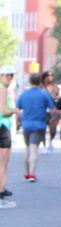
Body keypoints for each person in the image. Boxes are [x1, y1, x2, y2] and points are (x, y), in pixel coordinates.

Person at [14, 72, 55, 181]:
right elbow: (52, 108)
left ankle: (26, 173)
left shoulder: (23, 94)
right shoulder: (44, 94)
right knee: (33, 149)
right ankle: (32, 174)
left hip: (26, 124)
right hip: (39, 125)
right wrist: (53, 118)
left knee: (27, 148)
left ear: (30, 81)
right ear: (40, 81)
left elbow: (17, 110)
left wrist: (18, 122)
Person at [0, 66, 16, 206]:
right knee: (3, 163)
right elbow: (4, 111)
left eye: (11, 75)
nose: (10, 78)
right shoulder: (3, 89)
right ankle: (1, 192)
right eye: (7, 75)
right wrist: (14, 110)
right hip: (3, 127)